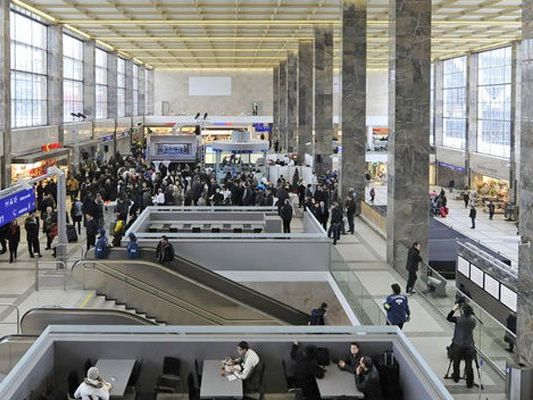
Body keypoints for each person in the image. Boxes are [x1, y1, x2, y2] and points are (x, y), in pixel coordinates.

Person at [447, 303, 477, 388]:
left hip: (458, 344)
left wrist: (454, 309)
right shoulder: (473, 321)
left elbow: (448, 318)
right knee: (469, 364)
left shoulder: (459, 320)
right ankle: (469, 382)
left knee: (456, 361)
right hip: (469, 345)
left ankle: (456, 377)